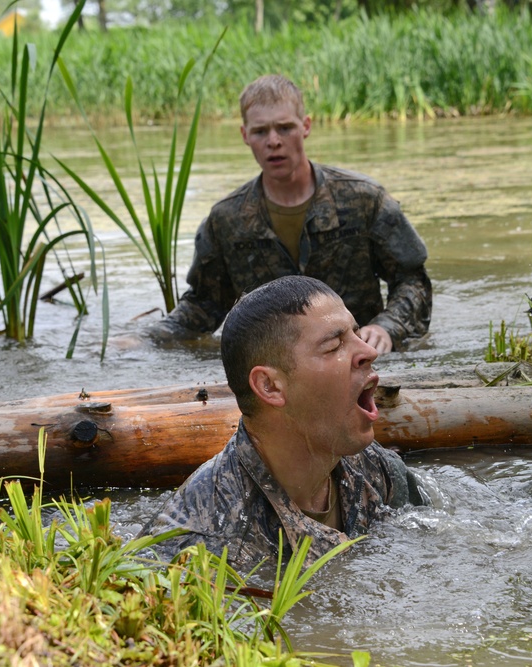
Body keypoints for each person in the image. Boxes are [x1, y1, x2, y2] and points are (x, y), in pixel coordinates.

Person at [138, 276, 427, 570]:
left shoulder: (374, 468)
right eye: (333, 345)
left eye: (356, 333)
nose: (369, 351)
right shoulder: (201, 546)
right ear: (270, 387)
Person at [145, 74, 431, 355]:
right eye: (260, 131)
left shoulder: (363, 199)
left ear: (305, 126)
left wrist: (387, 328)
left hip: (357, 354)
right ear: (245, 136)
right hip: (276, 366)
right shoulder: (227, 220)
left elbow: (412, 280)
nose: (273, 141)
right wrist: (148, 337)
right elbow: (203, 306)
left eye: (285, 128)